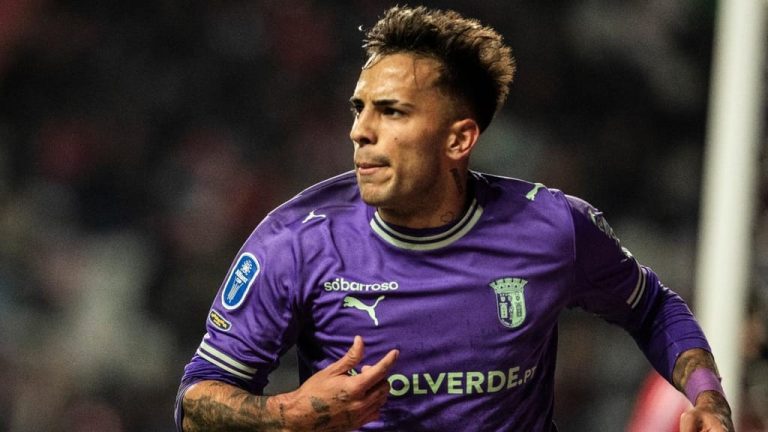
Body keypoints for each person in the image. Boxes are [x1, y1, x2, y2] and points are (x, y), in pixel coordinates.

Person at [175, 5, 733, 431]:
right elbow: (197, 401)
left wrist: (708, 398)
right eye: (359, 108)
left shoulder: (553, 229)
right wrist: (286, 415)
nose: (360, 131)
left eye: (391, 111)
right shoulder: (295, 242)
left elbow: (652, 308)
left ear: (459, 139)